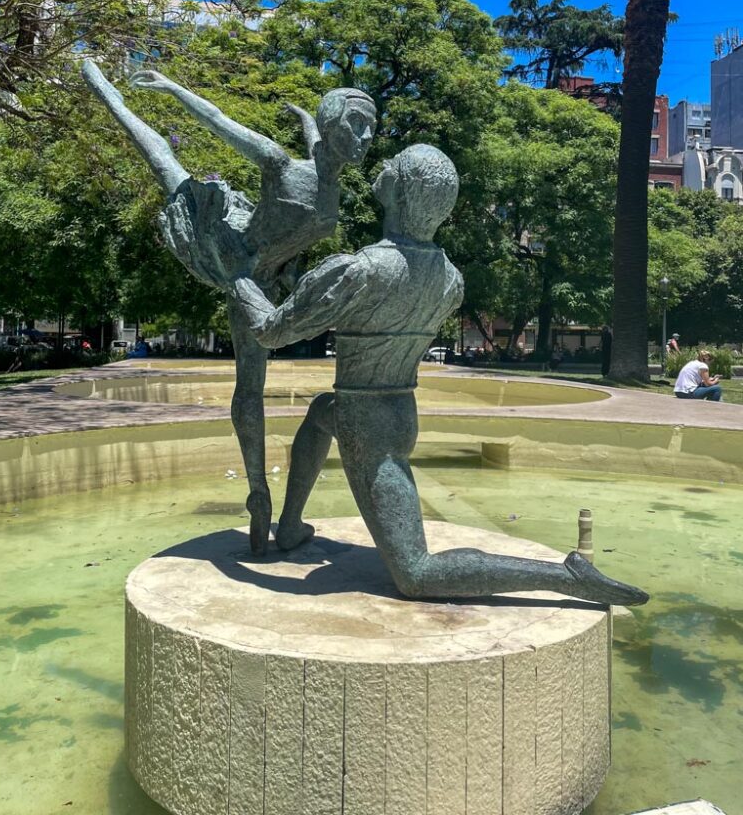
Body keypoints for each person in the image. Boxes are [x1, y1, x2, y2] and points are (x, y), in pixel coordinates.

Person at [234, 144, 648, 607]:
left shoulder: (360, 270)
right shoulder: (450, 278)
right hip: (397, 410)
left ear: (399, 191)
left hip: (365, 425)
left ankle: (565, 577)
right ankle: (290, 527)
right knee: (319, 412)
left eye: (393, 166)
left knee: (415, 573)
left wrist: (240, 278)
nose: (383, 167)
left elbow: (272, 332)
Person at [82, 60, 375, 554]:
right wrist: (174, 87)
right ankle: (104, 87)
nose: (367, 137)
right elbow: (219, 122)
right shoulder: (281, 166)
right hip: (232, 251)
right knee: (164, 162)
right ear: (333, 127)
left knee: (251, 382)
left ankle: (260, 493)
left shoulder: (330, 184)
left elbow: (316, 158)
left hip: (262, 279)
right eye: (357, 125)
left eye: (372, 128)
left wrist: (307, 119)